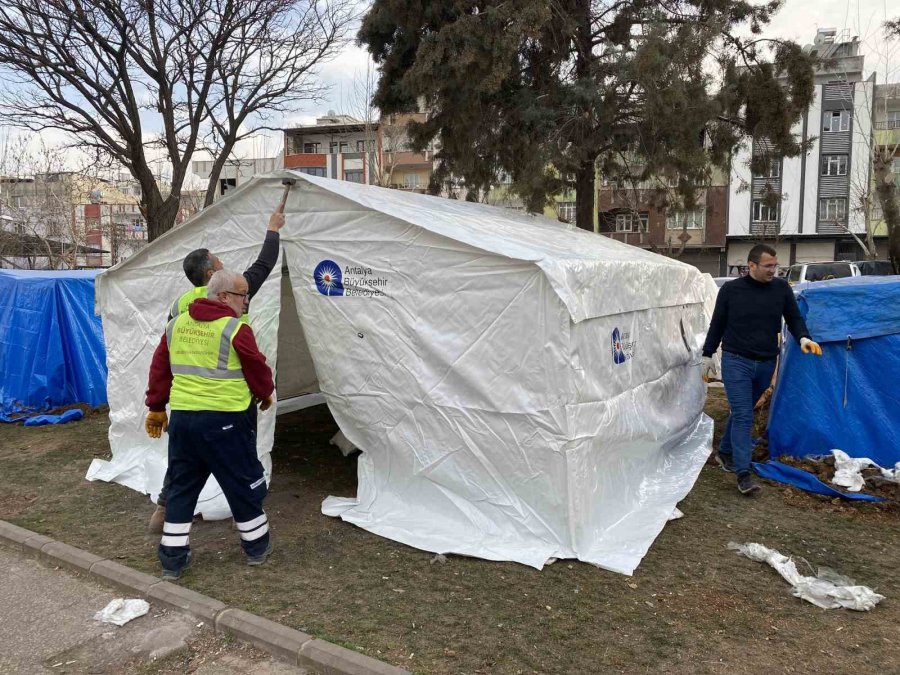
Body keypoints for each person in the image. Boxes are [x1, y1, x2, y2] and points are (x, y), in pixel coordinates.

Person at [148, 204, 285, 532]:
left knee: (184, 464)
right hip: (230, 404)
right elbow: (264, 264)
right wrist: (273, 228)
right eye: (220, 261)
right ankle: (251, 522)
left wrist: (157, 405)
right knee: (240, 462)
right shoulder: (235, 294)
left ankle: (166, 509)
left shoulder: (179, 306)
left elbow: (165, 356)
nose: (225, 264)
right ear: (212, 276)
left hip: (186, 405)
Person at [144, 270, 275, 580]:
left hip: (185, 423)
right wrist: (264, 392)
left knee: (181, 487)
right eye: (243, 294)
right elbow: (256, 367)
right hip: (225, 422)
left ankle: (172, 561)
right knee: (242, 484)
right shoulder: (235, 329)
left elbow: (159, 367)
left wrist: (156, 407)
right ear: (223, 296)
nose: (247, 300)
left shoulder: (176, 326)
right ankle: (257, 548)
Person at [701, 243, 822, 495]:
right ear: (751, 266)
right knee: (744, 415)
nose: (773, 271)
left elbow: (794, 317)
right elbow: (717, 324)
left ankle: (724, 452)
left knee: (744, 412)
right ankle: (743, 474)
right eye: (768, 266)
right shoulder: (731, 291)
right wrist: (707, 354)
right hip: (736, 361)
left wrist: (803, 338)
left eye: (775, 266)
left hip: (766, 362)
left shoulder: (780, 289)